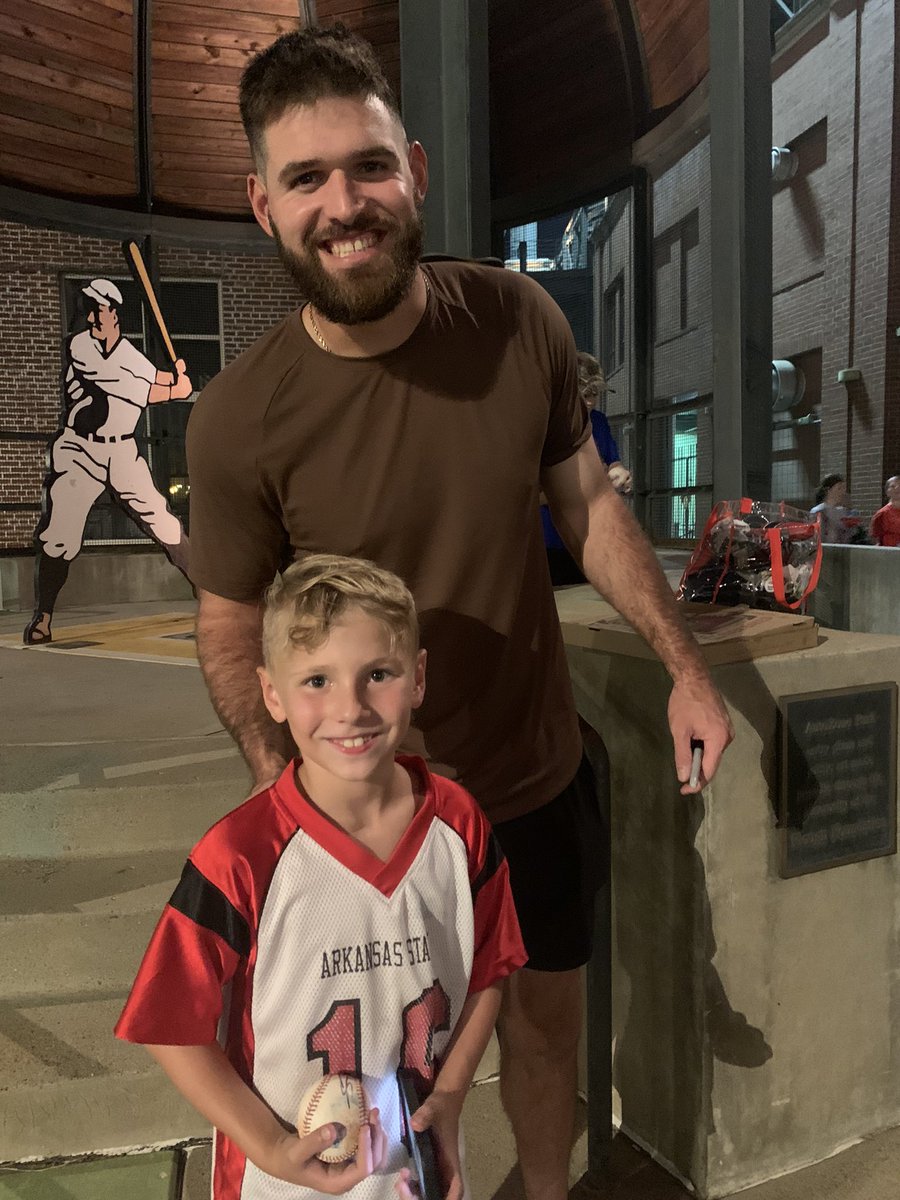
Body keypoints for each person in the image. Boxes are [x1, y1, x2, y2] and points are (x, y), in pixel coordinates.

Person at [185, 25, 733, 1200]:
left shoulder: (520, 323)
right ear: (263, 205)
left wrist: (687, 667)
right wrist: (283, 782)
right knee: (382, 1070)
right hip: (368, 823)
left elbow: (587, 506)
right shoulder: (241, 419)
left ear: (417, 171)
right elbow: (231, 624)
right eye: (308, 179)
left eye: (369, 168)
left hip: (528, 784)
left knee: (543, 1039)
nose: (347, 203)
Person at [116, 553, 526, 1200]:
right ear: (272, 694)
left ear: (417, 678)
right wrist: (270, 1144)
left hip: (414, 1168)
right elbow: (169, 1026)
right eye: (316, 681)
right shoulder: (241, 854)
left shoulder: (460, 826)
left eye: (378, 674)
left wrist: (449, 1095)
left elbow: (488, 973)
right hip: (282, 1183)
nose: (350, 707)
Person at [23, 279, 192, 645]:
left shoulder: (129, 353)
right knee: (60, 533)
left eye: (98, 308)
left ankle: (210, 597)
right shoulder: (81, 346)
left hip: (122, 451)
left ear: (114, 313)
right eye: (89, 309)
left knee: (162, 520)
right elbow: (123, 384)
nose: (92, 316)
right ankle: (44, 616)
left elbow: (146, 375)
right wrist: (171, 391)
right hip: (81, 450)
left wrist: (175, 380)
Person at [542, 351, 632, 583]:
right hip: (547, 541)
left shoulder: (598, 422)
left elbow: (612, 461)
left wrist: (618, 473)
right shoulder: (547, 426)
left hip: (588, 541)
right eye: (585, 394)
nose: (591, 401)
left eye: (595, 394)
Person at [809, 473, 865, 545]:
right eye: (839, 488)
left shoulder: (843, 511)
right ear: (828, 490)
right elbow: (815, 536)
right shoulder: (819, 511)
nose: (843, 492)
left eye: (844, 488)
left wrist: (853, 526)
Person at [870, 475, 900, 546]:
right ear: (887, 492)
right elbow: (875, 539)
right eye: (893, 486)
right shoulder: (882, 514)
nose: (898, 488)